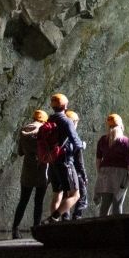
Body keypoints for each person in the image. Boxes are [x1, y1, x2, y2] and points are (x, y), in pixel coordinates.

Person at [39, 93, 84, 223]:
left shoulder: (49, 120)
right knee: (75, 194)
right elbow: (76, 142)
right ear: (65, 106)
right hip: (65, 162)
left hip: (52, 162)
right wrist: (83, 145)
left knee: (57, 193)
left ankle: (54, 225)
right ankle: (53, 218)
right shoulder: (66, 120)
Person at [11, 108, 50, 239]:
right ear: (44, 120)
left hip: (27, 169)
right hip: (41, 168)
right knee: (38, 201)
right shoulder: (44, 130)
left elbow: (20, 152)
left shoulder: (24, 130)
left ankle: (15, 229)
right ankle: (37, 229)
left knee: (23, 200)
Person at [95, 114, 129, 216]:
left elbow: (98, 159)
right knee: (118, 203)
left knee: (105, 204)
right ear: (121, 125)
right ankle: (117, 226)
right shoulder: (125, 141)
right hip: (120, 174)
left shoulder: (103, 140)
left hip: (105, 173)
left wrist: (100, 172)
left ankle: (102, 227)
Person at [65, 108, 90, 218]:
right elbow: (79, 162)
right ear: (74, 122)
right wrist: (84, 176)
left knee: (65, 196)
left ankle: (64, 219)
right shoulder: (74, 138)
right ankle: (76, 218)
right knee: (82, 197)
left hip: (61, 169)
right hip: (73, 170)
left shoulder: (59, 135)